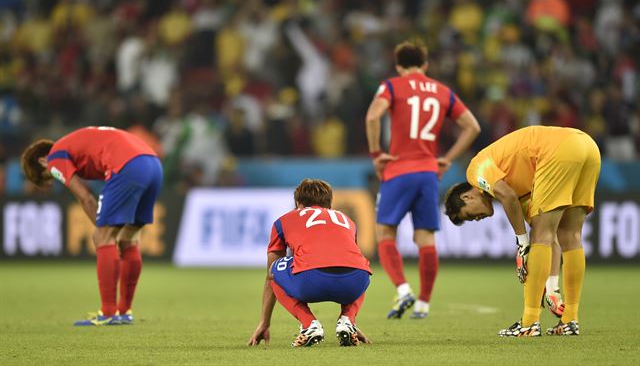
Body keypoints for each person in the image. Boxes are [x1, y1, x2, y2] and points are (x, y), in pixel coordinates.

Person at [443, 126, 600, 336]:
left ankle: (529, 323)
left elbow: (507, 196)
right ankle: (570, 319)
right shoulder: (522, 187)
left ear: (467, 197)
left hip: (557, 150)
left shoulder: (475, 170)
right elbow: (549, 237)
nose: (477, 219)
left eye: (469, 215)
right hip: (587, 146)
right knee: (568, 235)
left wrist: (522, 243)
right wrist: (552, 287)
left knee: (539, 238)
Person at [365, 40, 481, 319]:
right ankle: (424, 303)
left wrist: (376, 153)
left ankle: (404, 289)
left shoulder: (392, 86)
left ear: (398, 65)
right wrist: (448, 158)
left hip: (398, 169)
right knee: (425, 237)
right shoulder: (442, 91)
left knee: (385, 233)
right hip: (429, 172)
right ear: (425, 65)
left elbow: (372, 117)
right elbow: (472, 127)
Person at [21, 126, 163, 326]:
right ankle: (124, 312)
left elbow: (85, 198)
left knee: (101, 237)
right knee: (128, 238)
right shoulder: (74, 143)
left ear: (42, 161)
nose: (54, 177)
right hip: (153, 163)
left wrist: (102, 230)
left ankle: (107, 313)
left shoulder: (55, 157)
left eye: (49, 176)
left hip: (127, 164)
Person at [248, 179, 372, 347]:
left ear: (298, 203)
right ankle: (347, 320)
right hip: (356, 281)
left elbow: (270, 276)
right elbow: (345, 260)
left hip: (311, 281)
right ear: (329, 204)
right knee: (357, 264)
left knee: (275, 268)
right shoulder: (347, 220)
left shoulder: (283, 221)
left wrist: (265, 322)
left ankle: (309, 324)